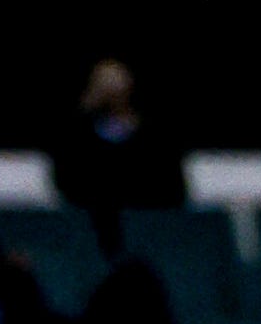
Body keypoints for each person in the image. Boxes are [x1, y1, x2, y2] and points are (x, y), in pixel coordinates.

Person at [49, 53, 185, 250]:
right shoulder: (78, 140)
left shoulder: (154, 141)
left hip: (148, 230)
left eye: (112, 88)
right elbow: (65, 182)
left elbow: (172, 189)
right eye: (101, 87)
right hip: (89, 234)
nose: (107, 93)